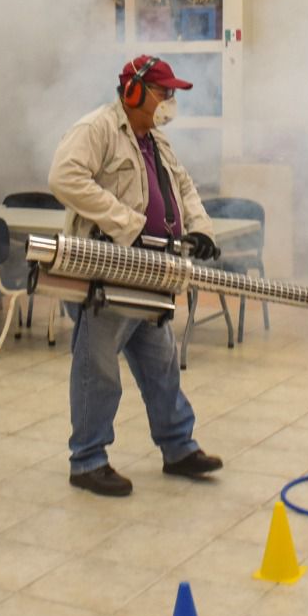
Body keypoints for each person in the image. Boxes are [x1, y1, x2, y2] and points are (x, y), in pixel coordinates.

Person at [47, 55, 223, 497]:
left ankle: (178, 448)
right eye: (163, 92)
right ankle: (88, 460)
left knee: (162, 365)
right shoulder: (98, 129)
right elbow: (64, 177)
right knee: (98, 369)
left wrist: (201, 228)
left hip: (152, 272)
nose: (169, 101)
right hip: (109, 272)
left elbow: (184, 187)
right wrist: (128, 223)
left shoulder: (157, 140)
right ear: (134, 91)